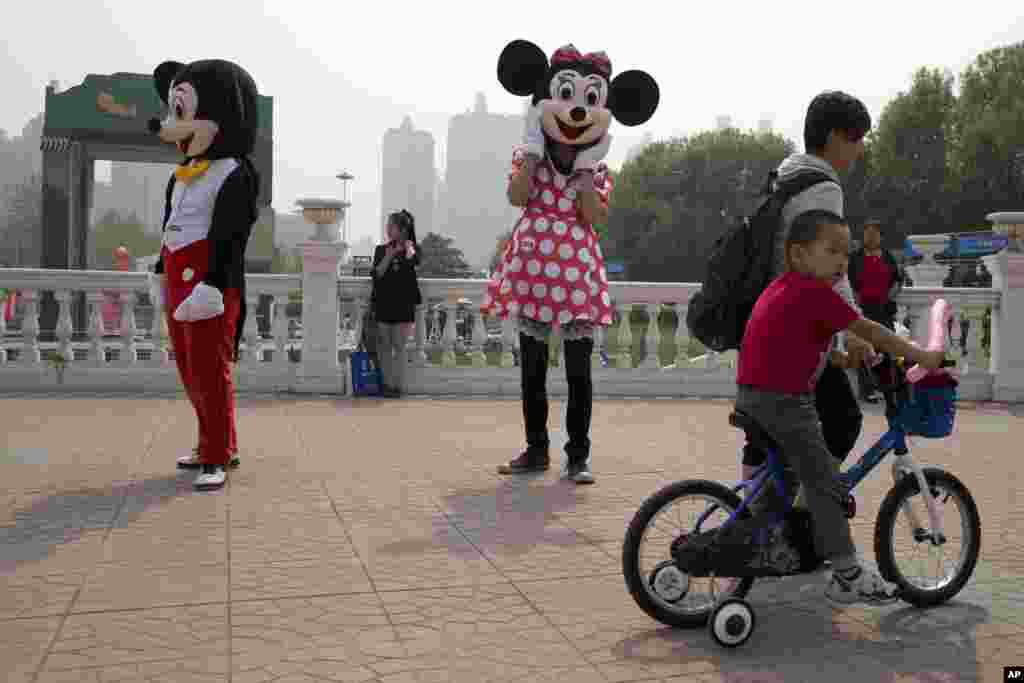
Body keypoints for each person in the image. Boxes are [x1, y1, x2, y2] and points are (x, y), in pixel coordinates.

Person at [735, 209, 945, 606]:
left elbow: (807, 348)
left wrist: (847, 359)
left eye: (844, 255)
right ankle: (847, 572)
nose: (840, 262)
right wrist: (922, 354)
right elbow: (871, 329)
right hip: (782, 403)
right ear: (798, 255)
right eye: (830, 251)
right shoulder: (814, 293)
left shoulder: (784, 288)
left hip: (754, 395)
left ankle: (765, 539)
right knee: (824, 485)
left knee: (786, 478)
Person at [483, 40, 659, 484]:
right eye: (565, 95)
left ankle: (578, 456)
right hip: (532, 272)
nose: (577, 110)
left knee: (580, 373)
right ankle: (536, 449)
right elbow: (517, 197)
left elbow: (594, 217)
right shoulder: (529, 159)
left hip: (577, 275)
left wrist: (583, 170)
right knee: (533, 371)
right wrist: (532, 153)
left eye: (590, 99)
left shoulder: (597, 171)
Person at [742, 90, 873, 483]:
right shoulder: (823, 187)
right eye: (857, 139)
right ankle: (802, 510)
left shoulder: (788, 173)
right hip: (798, 331)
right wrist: (854, 330)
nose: (860, 150)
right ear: (834, 138)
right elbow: (833, 269)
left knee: (764, 435)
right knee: (844, 419)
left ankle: (750, 521)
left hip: (765, 317)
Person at [146, 58, 260, 488]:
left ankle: (218, 454)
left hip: (210, 279)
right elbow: (169, 223)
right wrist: (160, 268)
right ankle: (208, 442)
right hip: (177, 272)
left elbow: (233, 234)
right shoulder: (180, 176)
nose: (174, 127)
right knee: (189, 369)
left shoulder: (236, 173)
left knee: (212, 370)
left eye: (185, 112)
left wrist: (213, 283)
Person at [848, 219, 904, 401]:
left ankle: (888, 386)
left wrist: (890, 295)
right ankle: (868, 390)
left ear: (881, 237)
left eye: (874, 233)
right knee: (864, 349)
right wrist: (856, 302)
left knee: (887, 348)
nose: (870, 237)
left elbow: (897, 280)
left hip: (884, 309)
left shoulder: (888, 257)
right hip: (862, 310)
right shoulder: (855, 258)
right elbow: (847, 281)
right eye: (867, 233)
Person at [371, 209, 422, 398]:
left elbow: (414, 262)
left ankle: (398, 386)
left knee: (400, 347)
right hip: (384, 303)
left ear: (401, 230)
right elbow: (377, 274)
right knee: (384, 346)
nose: (387, 229)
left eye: (391, 226)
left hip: (404, 304)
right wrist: (389, 255)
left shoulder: (413, 249)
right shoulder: (381, 250)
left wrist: (408, 247)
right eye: (387, 225)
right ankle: (387, 384)